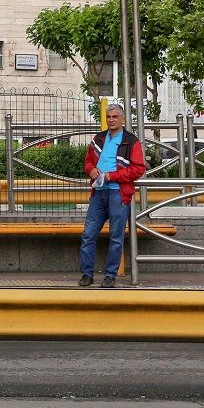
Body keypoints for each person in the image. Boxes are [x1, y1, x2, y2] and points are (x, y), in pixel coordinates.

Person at [78, 104, 146, 288]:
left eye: (115, 117)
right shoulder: (98, 138)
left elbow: (139, 169)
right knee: (88, 234)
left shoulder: (132, 141)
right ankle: (87, 274)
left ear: (123, 119)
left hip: (119, 193)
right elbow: (88, 162)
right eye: (109, 117)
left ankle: (110, 276)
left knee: (116, 237)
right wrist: (91, 170)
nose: (111, 120)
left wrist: (111, 176)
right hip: (98, 193)